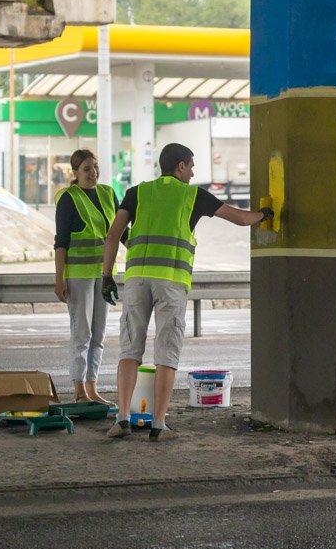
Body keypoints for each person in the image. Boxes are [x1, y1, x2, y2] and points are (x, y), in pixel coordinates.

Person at [101, 143, 274, 441]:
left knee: (130, 350)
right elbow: (240, 218)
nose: (193, 173)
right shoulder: (193, 196)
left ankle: (122, 420)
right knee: (166, 353)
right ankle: (158, 424)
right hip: (170, 282)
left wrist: (106, 275)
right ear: (180, 166)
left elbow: (114, 233)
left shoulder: (137, 192)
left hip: (136, 281)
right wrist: (264, 213)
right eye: (191, 166)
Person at [53, 149, 120, 405]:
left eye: (95, 167)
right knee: (82, 334)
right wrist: (59, 280)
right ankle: (79, 388)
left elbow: (119, 233)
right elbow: (61, 243)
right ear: (75, 173)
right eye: (87, 169)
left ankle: (93, 388)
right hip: (78, 276)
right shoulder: (69, 199)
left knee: (99, 335)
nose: (93, 173)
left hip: (103, 275)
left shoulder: (107, 193)